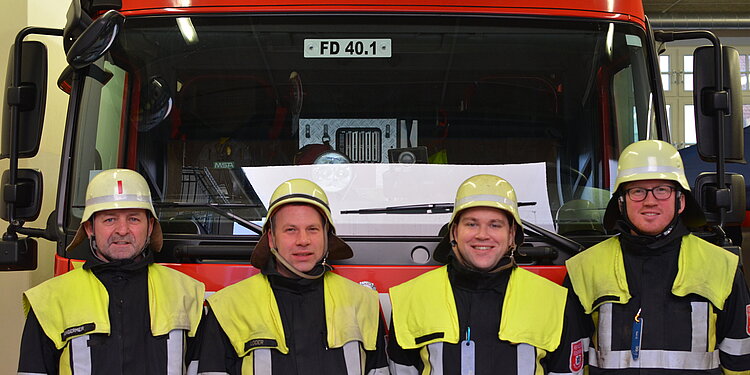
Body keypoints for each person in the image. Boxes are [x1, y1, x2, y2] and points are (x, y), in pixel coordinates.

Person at [565, 140, 750, 374]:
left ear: (681, 201)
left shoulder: (722, 266)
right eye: (637, 191)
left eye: (662, 190)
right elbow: (569, 363)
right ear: (621, 202)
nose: (650, 200)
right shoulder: (584, 268)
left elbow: (740, 361)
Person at [388, 174, 590, 374]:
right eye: (471, 224)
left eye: (495, 225)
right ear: (454, 232)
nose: (482, 234)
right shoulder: (410, 299)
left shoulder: (555, 301)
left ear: (512, 235)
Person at [18, 168, 205, 374]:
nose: (122, 230)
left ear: (150, 226)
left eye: (134, 219)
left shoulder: (187, 293)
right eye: (110, 219)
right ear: (90, 228)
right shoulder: (49, 300)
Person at [194, 178, 389, 374]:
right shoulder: (228, 307)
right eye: (290, 230)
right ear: (271, 238)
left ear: (326, 236)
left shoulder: (364, 303)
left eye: (312, 229)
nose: (303, 240)